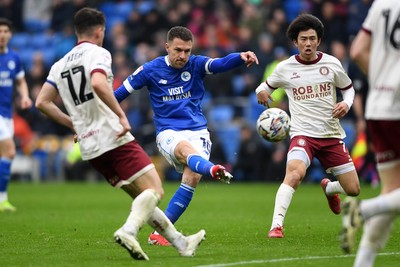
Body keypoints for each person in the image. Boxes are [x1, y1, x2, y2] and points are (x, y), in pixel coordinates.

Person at [35, 7, 205, 261]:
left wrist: (75, 125)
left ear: (76, 31)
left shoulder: (60, 64)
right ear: (100, 30)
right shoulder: (99, 53)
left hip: (90, 145)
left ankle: (181, 243)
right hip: (111, 134)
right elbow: (97, 83)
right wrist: (120, 115)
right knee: (156, 190)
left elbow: (42, 102)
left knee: (143, 196)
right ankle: (128, 231)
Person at [114, 25, 259, 245]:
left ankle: (159, 235)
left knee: (192, 176)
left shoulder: (196, 64)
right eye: (178, 50)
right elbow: (118, 95)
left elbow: (218, 64)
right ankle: (212, 168)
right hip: (168, 132)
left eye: (187, 51)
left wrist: (240, 57)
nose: (183, 55)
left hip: (198, 130)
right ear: (167, 47)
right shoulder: (149, 70)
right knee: (184, 150)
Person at [255, 14, 360, 238]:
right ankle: (276, 225)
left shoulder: (332, 63)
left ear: (319, 40)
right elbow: (263, 87)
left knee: (353, 189)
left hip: (331, 134)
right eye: (303, 39)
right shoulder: (285, 67)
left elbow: (349, 88)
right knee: (294, 174)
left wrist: (346, 103)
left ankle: (330, 188)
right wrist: (262, 93)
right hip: (302, 134)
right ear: (296, 42)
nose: (308, 43)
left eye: (312, 38)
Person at [340, 1, 400, 266]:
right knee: (387, 199)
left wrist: (382, 83)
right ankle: (364, 209)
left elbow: (358, 50)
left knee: (392, 192)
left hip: (379, 107)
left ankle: (363, 262)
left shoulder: (383, 3)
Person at [0, 18, 32, 212]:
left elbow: (21, 81)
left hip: (6, 113)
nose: (2, 35)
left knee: (4, 155)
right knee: (10, 152)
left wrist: (26, 96)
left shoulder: (15, 58)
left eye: (5, 31)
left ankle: (2, 198)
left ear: (10, 35)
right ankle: (2, 199)